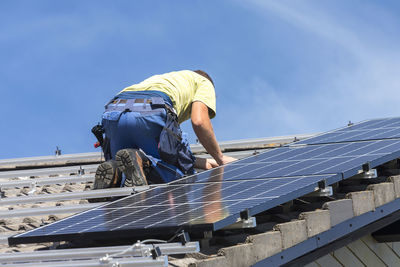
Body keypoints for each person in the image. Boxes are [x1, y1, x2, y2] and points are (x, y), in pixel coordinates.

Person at [93, 70, 236, 189]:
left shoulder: (164, 79)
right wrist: (220, 158)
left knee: (123, 168)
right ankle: (144, 162)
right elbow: (199, 122)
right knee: (179, 176)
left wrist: (204, 162)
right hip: (150, 111)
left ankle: (113, 175)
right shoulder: (204, 82)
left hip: (113, 113)